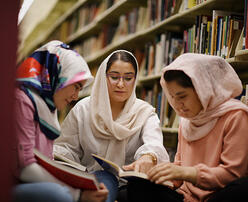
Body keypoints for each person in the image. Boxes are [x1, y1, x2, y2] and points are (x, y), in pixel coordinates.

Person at [126, 53, 248, 202]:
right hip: (185, 197)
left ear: (204, 89)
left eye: (182, 96)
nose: (177, 105)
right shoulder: (187, 121)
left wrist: (187, 173)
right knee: (137, 185)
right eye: (172, 98)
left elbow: (233, 174)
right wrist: (156, 175)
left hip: (218, 196)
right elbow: (179, 167)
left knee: (243, 187)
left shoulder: (236, 116)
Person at [53, 50, 170, 201]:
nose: (121, 84)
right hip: (92, 181)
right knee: (103, 181)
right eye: (114, 77)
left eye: (128, 78)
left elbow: (154, 143)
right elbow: (65, 148)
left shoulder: (144, 112)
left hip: (131, 186)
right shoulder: (83, 109)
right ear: (103, 76)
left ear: (135, 80)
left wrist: (148, 157)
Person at [12, 40, 109, 202]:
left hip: (30, 181)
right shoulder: (22, 100)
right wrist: (78, 194)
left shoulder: (47, 104)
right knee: (59, 195)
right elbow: (25, 168)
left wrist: (85, 186)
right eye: (76, 86)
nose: (76, 97)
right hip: (14, 182)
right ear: (58, 75)